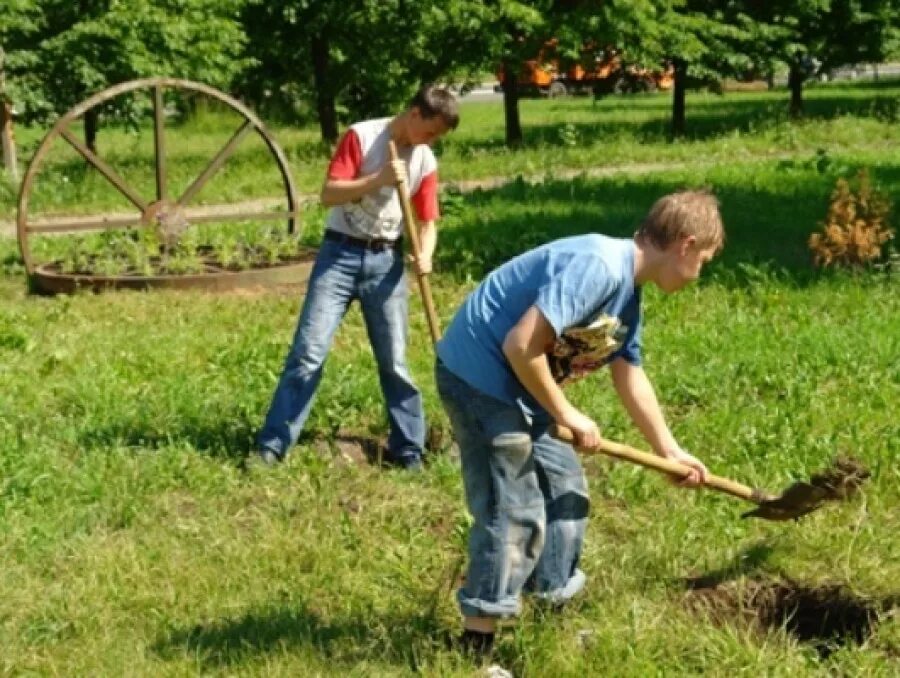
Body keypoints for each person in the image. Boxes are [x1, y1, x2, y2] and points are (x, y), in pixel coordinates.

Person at [434, 190, 724, 655]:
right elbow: (520, 344)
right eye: (705, 259)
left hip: (522, 390)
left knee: (567, 490)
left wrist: (669, 451)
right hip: (479, 380)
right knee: (513, 509)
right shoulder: (600, 266)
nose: (700, 272)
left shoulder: (628, 293)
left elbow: (629, 373)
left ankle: (552, 608)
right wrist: (565, 412)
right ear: (686, 244)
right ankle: (475, 645)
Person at [255, 85, 459, 470]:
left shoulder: (425, 161)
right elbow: (329, 193)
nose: (430, 141)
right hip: (339, 256)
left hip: (386, 262)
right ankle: (273, 444)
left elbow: (428, 221)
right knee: (308, 354)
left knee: (395, 361)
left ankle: (408, 449)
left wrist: (426, 253)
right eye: (430, 131)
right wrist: (377, 179)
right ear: (415, 114)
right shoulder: (363, 136)